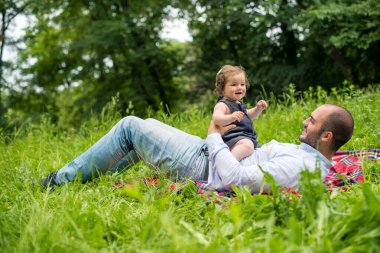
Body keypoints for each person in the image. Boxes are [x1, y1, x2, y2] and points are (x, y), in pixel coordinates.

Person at [41, 104, 354, 193]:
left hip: (204, 166)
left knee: (130, 126)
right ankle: (86, 181)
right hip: (210, 154)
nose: (304, 121)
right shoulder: (309, 156)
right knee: (143, 131)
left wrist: (214, 135)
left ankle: (60, 181)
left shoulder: (300, 167)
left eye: (311, 121)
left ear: (326, 136)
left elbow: (231, 179)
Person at [212, 65, 268, 161]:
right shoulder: (223, 104)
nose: (239, 88)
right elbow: (216, 118)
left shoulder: (238, 103)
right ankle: (227, 163)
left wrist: (257, 109)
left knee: (256, 148)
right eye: (234, 85)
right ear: (222, 88)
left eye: (242, 84)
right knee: (248, 146)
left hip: (244, 138)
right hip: (231, 140)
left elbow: (248, 115)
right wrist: (231, 117)